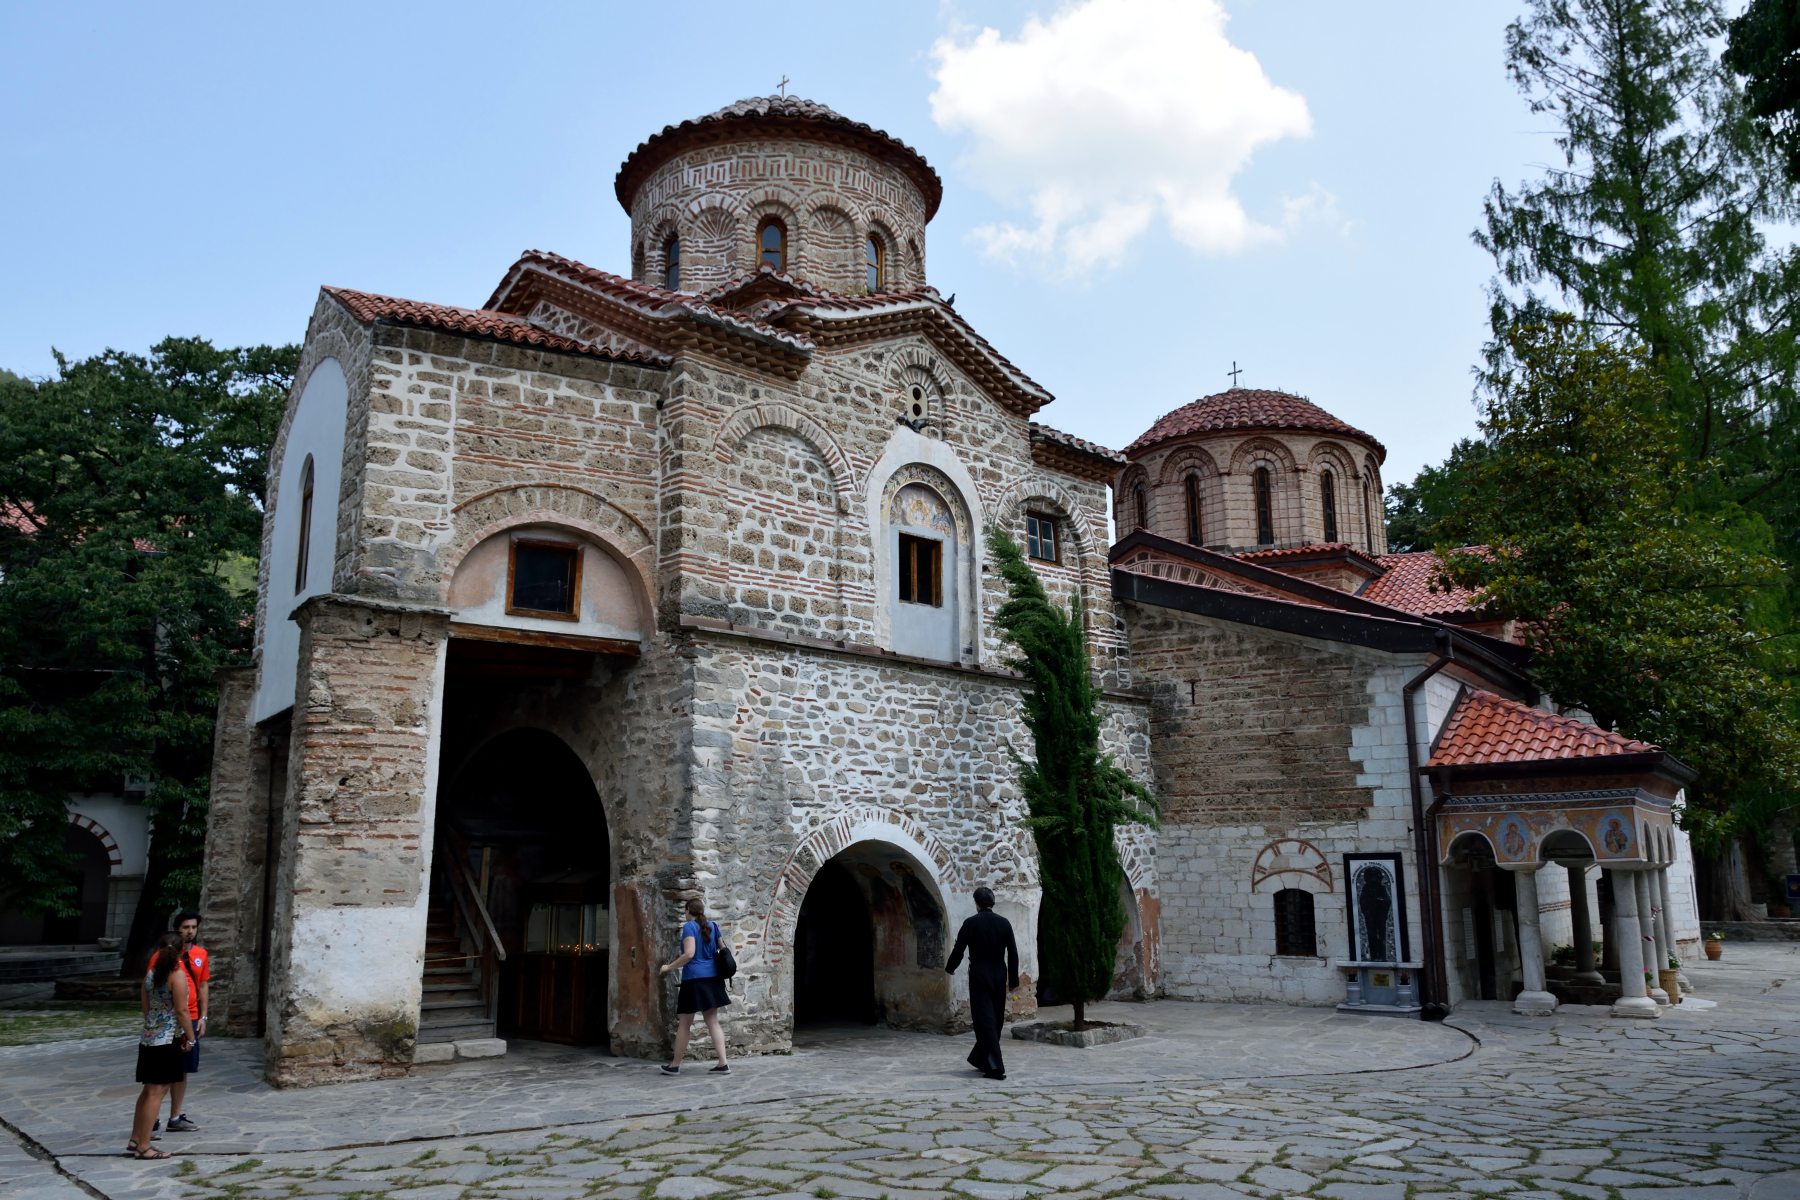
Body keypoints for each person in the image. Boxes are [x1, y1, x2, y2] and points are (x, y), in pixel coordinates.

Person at [128, 932, 194, 1159]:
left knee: (147, 1091)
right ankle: (145, 1147)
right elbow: (182, 1010)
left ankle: (136, 1138)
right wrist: (190, 1037)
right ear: (180, 952)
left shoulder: (149, 976)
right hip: (167, 1040)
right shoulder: (177, 976)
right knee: (157, 1093)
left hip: (148, 1038)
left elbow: (146, 1008)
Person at [944, 886, 1019, 1081]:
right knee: (995, 1018)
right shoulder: (1004, 923)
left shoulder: (971, 923)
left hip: (979, 973)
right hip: (999, 972)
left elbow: (959, 948)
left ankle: (995, 1067)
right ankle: (981, 1058)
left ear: (976, 904)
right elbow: (1013, 952)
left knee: (984, 1019)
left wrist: (950, 967)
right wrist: (1014, 980)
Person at [657, 898, 730, 1075]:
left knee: (684, 1023)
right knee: (712, 1021)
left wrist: (669, 966)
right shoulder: (713, 926)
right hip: (713, 978)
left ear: (688, 910)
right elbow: (723, 949)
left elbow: (689, 954)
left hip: (695, 980)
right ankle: (723, 1063)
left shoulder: (689, 926)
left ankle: (675, 1065)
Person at [154, 910, 208, 1135]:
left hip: (192, 1016)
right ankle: (153, 1118)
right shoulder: (161, 957)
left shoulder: (201, 954)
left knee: (183, 1069)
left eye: (193, 927)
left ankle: (175, 1116)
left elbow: (203, 985)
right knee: (161, 1070)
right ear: (177, 929)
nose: (190, 932)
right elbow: (151, 985)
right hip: (169, 1017)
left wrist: (203, 1016)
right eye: (186, 927)